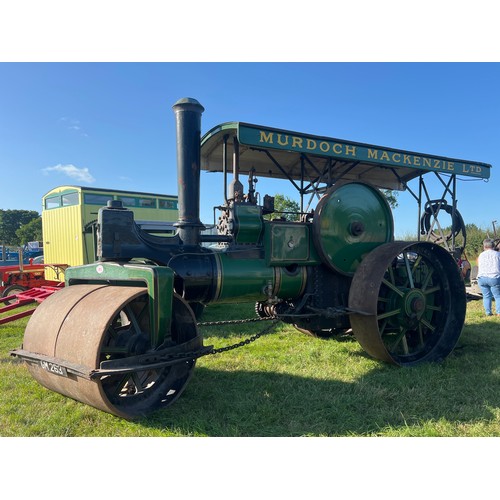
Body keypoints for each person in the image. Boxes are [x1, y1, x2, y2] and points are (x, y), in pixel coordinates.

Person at [477, 238, 500, 316]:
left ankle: (488, 312)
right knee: (497, 296)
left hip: (481, 278)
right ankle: (499, 312)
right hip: (494, 277)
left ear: (484, 247)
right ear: (493, 246)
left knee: (486, 296)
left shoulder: (481, 255)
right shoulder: (497, 254)